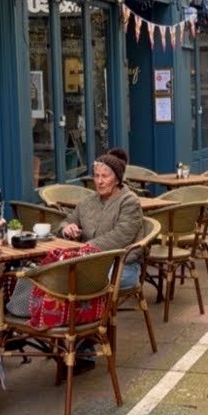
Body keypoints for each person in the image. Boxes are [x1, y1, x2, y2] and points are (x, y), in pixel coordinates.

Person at [56, 147, 145, 372]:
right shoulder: (87, 202)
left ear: (117, 179)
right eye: (96, 176)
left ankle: (84, 345)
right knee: (59, 280)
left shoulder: (129, 201)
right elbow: (64, 222)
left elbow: (121, 236)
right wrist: (68, 229)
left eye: (105, 176)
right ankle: (67, 337)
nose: (100, 181)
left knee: (89, 286)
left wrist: (87, 248)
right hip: (88, 264)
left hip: (123, 265)